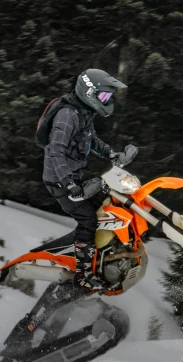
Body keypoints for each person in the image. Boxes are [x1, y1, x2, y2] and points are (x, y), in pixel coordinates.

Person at [42, 68, 127, 291]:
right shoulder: (67, 115)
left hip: (74, 177)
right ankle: (82, 275)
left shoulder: (83, 112)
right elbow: (55, 151)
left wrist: (111, 153)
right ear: (89, 91)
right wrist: (69, 183)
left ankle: (104, 258)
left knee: (107, 206)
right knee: (88, 219)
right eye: (105, 96)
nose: (107, 101)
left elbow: (92, 139)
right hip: (60, 181)